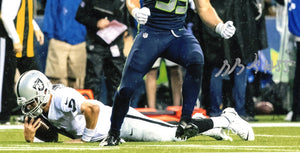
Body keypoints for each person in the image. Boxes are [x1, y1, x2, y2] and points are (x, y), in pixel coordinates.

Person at [101, 0, 237, 146]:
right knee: (127, 88)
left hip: (177, 31)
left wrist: (219, 25)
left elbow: (204, 6)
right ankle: (113, 132)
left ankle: (185, 121)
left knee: (196, 59)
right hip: (152, 31)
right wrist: (135, 11)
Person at [15, 70, 254, 143]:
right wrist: (31, 139)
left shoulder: (60, 97)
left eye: (31, 102)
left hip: (118, 123)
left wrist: (87, 138)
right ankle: (210, 128)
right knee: (168, 130)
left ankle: (225, 119)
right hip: (110, 134)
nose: (30, 108)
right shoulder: (44, 110)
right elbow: (55, 140)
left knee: (172, 135)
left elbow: (91, 109)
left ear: (43, 92)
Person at [202, 0, 268, 118]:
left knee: (216, 68)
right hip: (239, 31)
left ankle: (214, 111)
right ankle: (240, 112)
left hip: (213, 29)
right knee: (239, 68)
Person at [0, 0, 46, 124]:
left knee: (34, 77)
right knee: (6, 79)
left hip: (24, 44)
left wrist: (36, 28)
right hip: (11, 43)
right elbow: (6, 17)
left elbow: (25, 14)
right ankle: (4, 114)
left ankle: (33, 112)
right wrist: (16, 39)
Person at [76, 0, 129, 106]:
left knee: (117, 81)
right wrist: (96, 22)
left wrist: (126, 29)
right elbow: (79, 16)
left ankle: (116, 116)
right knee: (94, 80)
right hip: (97, 44)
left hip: (116, 44)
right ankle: (93, 114)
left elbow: (125, 14)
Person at [43, 0, 87, 89]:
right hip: (59, 41)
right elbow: (50, 13)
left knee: (78, 81)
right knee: (57, 81)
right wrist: (51, 35)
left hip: (79, 41)